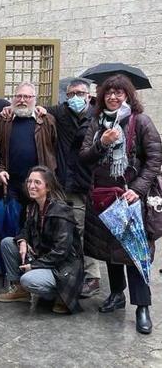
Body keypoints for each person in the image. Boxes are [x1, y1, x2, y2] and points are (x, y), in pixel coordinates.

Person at [80, 74, 162, 334]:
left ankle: (142, 307)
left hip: (130, 198)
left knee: (135, 254)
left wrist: (137, 189)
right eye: (108, 93)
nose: (113, 97)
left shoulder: (140, 121)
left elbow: (155, 160)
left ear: (128, 95)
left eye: (119, 93)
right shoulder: (96, 123)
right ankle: (117, 295)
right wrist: (101, 144)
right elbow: (84, 157)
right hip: (104, 196)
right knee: (110, 252)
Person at [40, 79, 103, 298]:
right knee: (69, 228)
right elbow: (39, 108)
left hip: (88, 181)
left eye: (80, 93)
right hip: (65, 181)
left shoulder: (98, 115)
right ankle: (72, 272)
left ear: (89, 95)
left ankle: (92, 276)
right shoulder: (62, 112)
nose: (76, 97)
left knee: (86, 229)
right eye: (71, 93)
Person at [0, 166, 84, 315]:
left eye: (37, 182)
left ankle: (59, 295)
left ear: (48, 187)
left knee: (28, 279)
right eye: (29, 181)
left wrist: (33, 266)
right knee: (8, 243)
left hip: (64, 268)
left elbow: (61, 252)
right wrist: (22, 240)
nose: (31, 186)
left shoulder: (61, 210)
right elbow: (25, 230)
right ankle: (21, 291)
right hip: (45, 259)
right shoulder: (34, 206)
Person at [0, 82, 57, 211]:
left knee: (39, 220)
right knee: (13, 223)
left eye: (27, 97)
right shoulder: (2, 120)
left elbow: (54, 147)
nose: (22, 100)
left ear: (34, 100)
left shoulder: (46, 120)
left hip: (39, 183)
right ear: (13, 99)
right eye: (18, 96)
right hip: (11, 183)